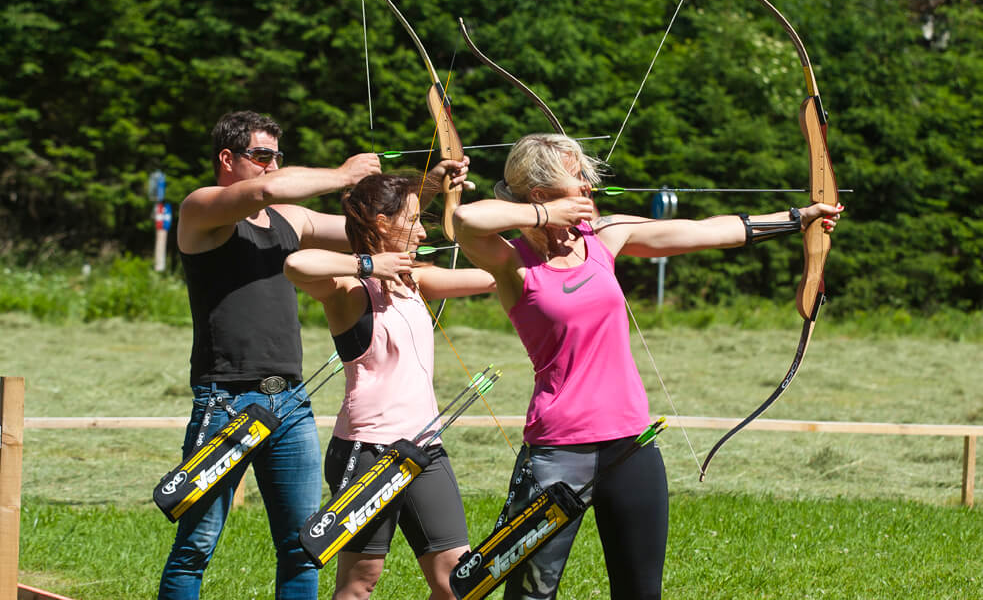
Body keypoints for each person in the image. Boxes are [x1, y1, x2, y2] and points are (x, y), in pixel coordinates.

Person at [451, 133, 843, 600]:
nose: (588, 188)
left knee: (641, 592)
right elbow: (464, 218)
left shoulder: (605, 236)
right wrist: (545, 216)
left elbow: (704, 231)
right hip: (558, 450)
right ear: (539, 194)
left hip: (631, 445)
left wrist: (797, 218)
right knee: (532, 593)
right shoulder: (513, 260)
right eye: (577, 179)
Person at [158, 109, 441, 600]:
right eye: (260, 155)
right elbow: (268, 190)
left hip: (289, 402)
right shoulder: (201, 208)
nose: (270, 167)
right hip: (225, 398)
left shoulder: (290, 219)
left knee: (304, 545)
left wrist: (430, 188)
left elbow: (368, 227)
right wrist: (343, 175)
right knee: (196, 546)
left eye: (276, 157)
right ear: (227, 158)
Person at [283, 172, 495, 600]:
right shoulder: (349, 288)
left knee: (458, 582)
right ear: (381, 222)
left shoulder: (417, 279)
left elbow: (493, 276)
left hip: (425, 449)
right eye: (413, 219)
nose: (422, 230)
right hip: (369, 453)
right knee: (360, 584)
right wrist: (368, 263)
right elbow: (295, 265)